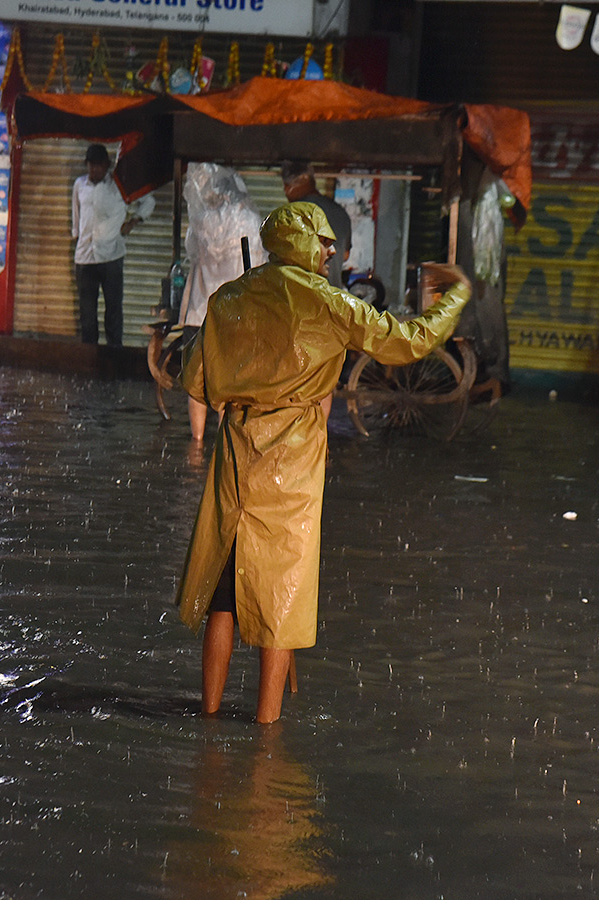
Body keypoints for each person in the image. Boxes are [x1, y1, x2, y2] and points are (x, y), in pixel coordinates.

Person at [177, 201, 471, 723]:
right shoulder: (332, 305)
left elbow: (196, 382)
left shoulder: (228, 300)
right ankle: (266, 738)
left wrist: (250, 381)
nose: (333, 251)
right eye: (326, 241)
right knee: (281, 604)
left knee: (222, 596)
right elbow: (410, 341)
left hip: (237, 463)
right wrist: (456, 299)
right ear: (305, 243)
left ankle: (209, 719)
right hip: (292, 471)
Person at [178, 162, 266, 442]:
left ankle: (197, 440)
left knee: (198, 381)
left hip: (201, 310)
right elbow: (260, 264)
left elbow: (191, 251)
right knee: (229, 381)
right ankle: (222, 442)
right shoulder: (251, 222)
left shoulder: (203, 221)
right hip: (234, 314)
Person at [70, 143, 155, 346]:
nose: (95, 170)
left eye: (99, 166)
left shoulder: (120, 186)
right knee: (87, 315)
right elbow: (76, 217)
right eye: (91, 165)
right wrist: (78, 237)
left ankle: (114, 360)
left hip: (111, 258)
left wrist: (133, 222)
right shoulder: (79, 185)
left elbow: (149, 201)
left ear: (107, 166)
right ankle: (90, 359)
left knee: (114, 313)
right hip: (85, 259)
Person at [280, 160, 352, 289]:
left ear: (288, 187)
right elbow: (345, 255)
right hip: (333, 299)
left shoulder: (292, 214)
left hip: (302, 299)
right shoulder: (341, 213)